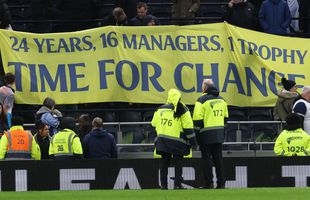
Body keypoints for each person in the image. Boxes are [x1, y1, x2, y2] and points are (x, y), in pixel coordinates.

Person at [151, 88, 197, 190]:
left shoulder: (160, 109)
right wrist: (194, 143)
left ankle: (163, 186)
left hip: (162, 141)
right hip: (178, 142)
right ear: (179, 98)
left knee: (164, 163)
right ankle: (177, 185)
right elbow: (188, 128)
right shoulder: (184, 109)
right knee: (178, 163)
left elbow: (153, 124)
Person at [193, 79, 228, 189]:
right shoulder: (222, 100)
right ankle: (221, 183)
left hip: (205, 134)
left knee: (207, 159)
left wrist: (197, 135)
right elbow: (226, 118)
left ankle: (209, 183)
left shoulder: (201, 100)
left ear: (205, 88)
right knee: (218, 159)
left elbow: (197, 120)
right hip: (219, 134)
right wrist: (222, 131)